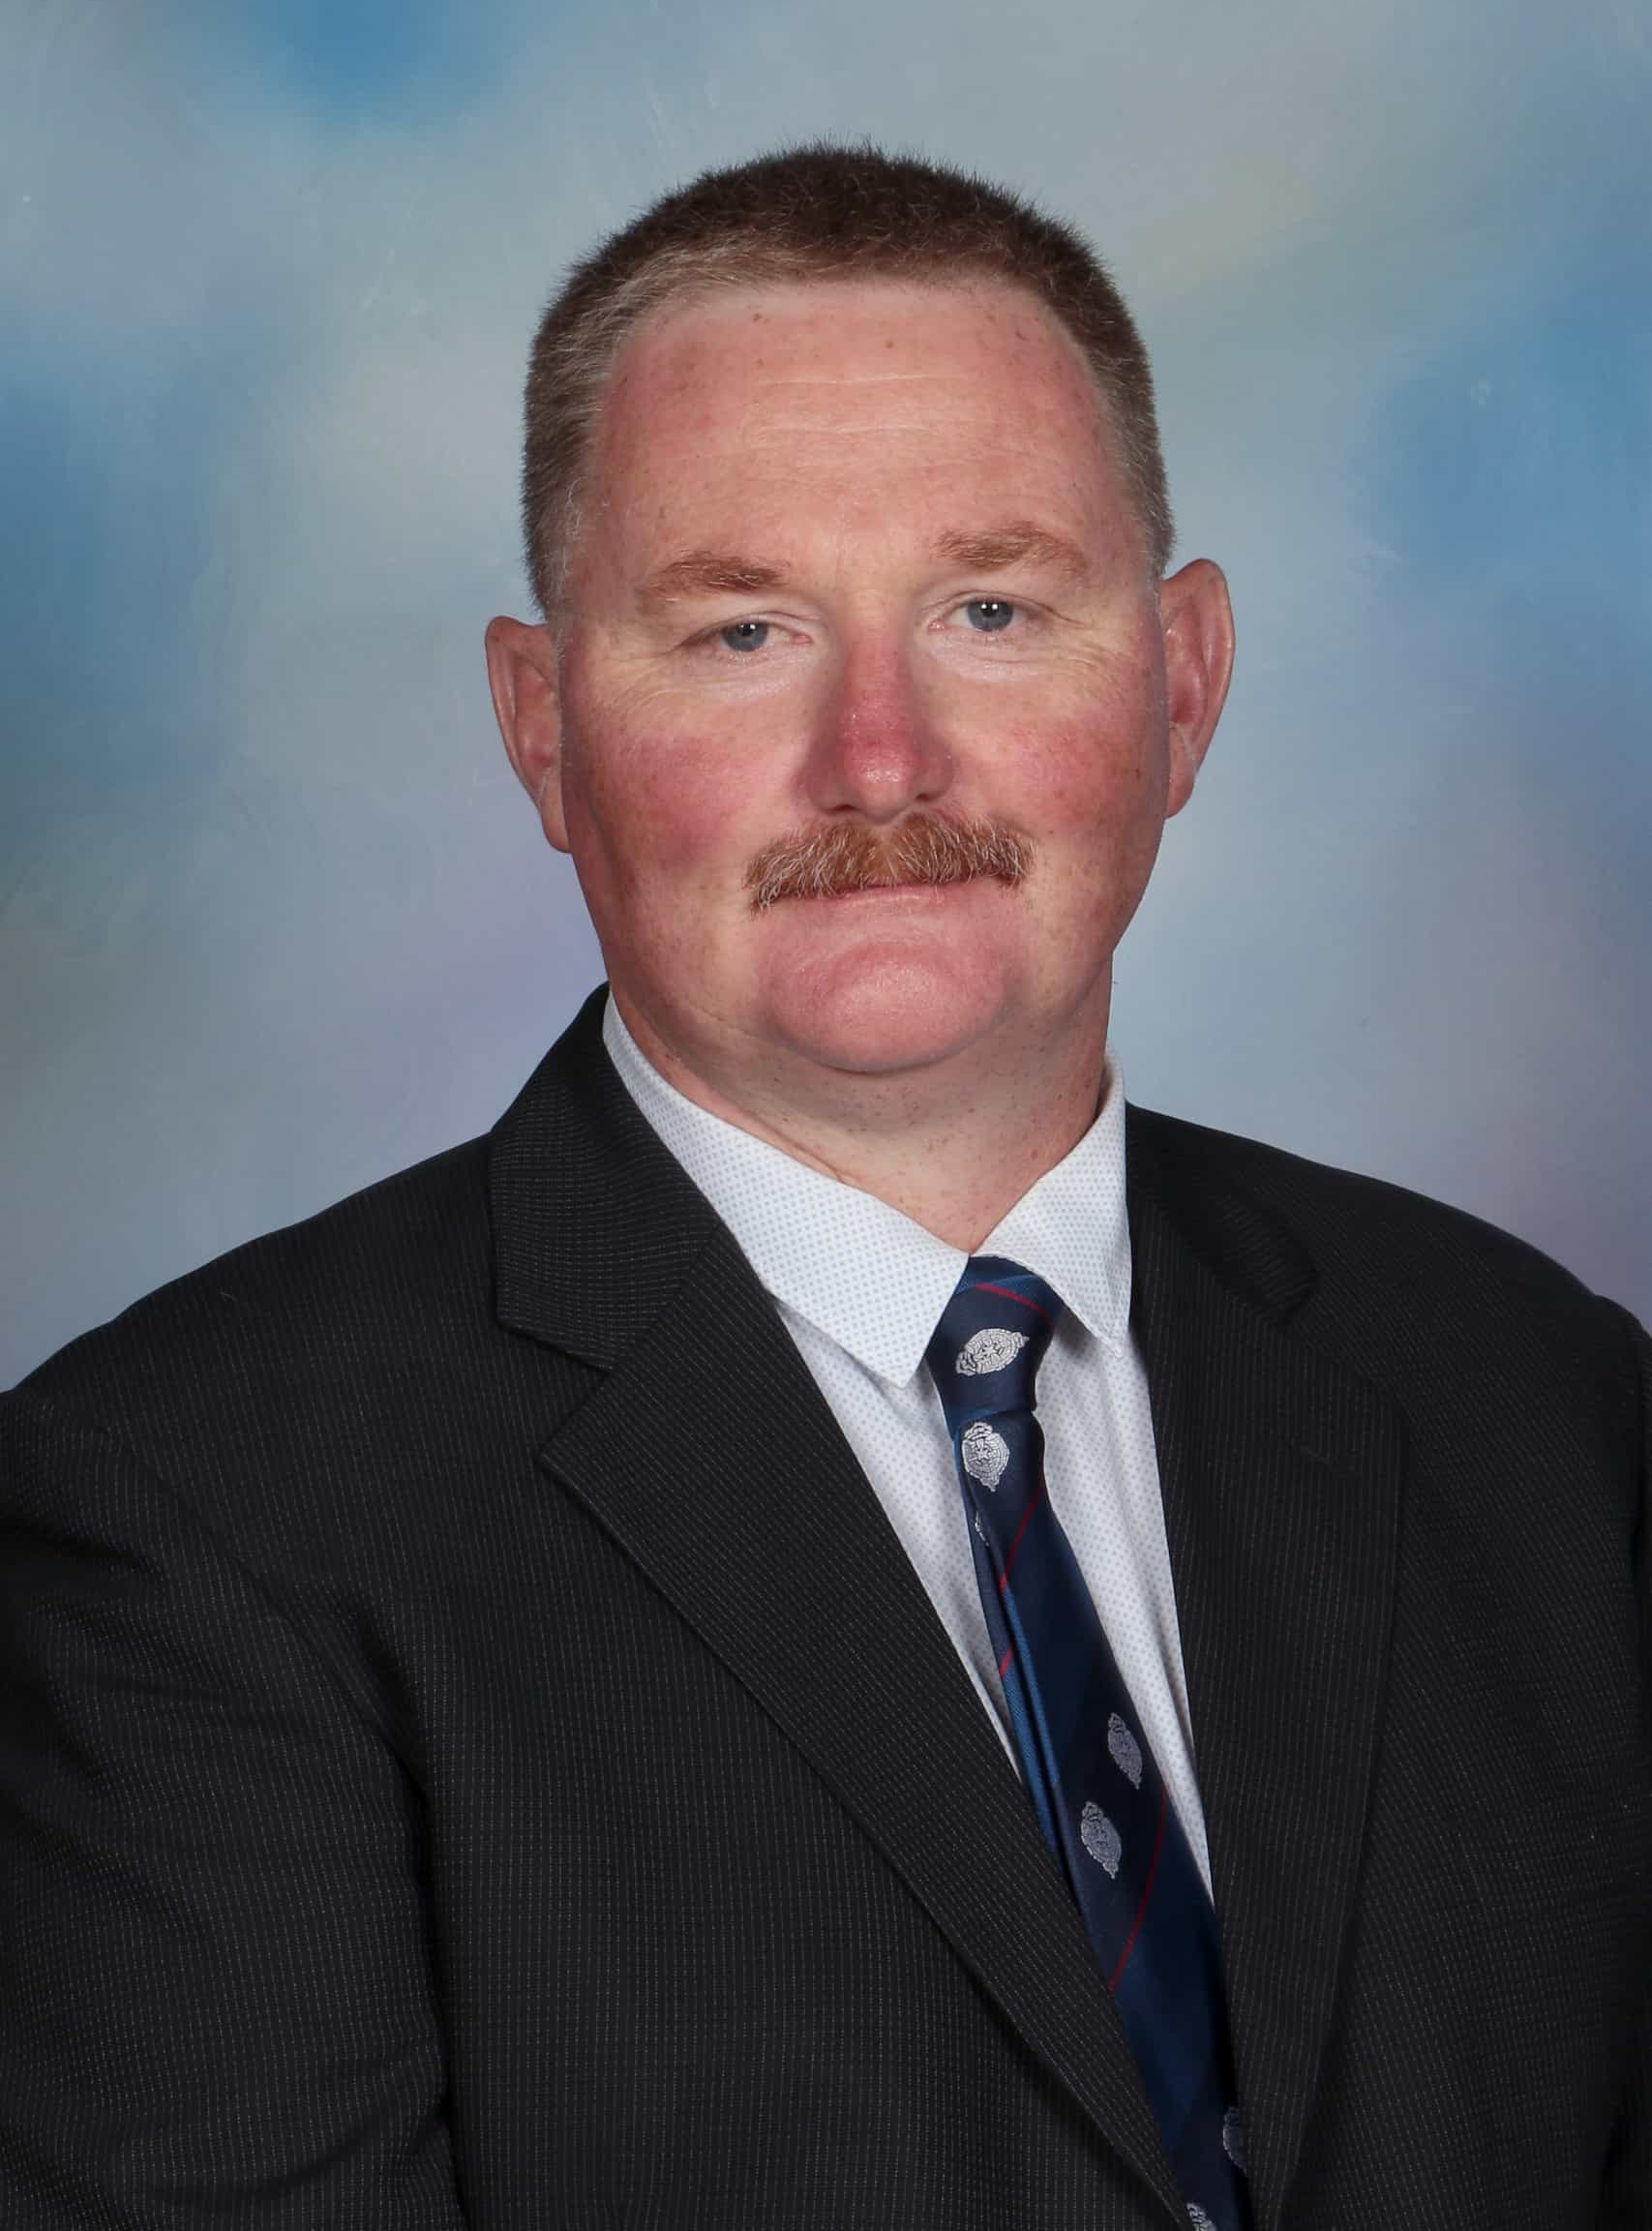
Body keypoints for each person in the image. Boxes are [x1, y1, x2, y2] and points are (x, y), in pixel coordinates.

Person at [2, 143, 1646, 2230]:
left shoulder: (1539, 1400)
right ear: (541, 731)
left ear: (1181, 686)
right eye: (742, 628)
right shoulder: (191, 1515)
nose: (880, 757)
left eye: (990, 610)